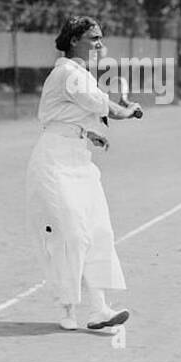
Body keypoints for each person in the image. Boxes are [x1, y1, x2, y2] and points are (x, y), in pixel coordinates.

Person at [26, 16, 142, 332]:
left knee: (97, 229)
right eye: (94, 38)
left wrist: (88, 134)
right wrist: (127, 110)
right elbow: (103, 106)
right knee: (72, 234)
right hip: (54, 163)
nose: (100, 45)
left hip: (79, 159)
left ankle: (99, 309)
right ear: (76, 40)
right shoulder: (68, 73)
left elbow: (71, 115)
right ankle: (67, 308)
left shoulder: (80, 75)